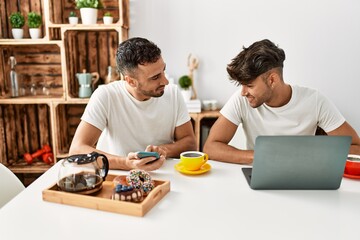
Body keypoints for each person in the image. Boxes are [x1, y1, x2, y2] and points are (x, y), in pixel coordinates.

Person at [203, 39, 360, 164]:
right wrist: (261, 156)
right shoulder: (241, 99)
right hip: (259, 177)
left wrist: (311, 154)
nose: (243, 92)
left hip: (304, 178)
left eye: (249, 85)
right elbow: (211, 147)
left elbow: (356, 148)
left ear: (272, 80)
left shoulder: (315, 101)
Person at [69, 37, 196, 170]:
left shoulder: (173, 93)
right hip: (116, 174)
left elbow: (190, 143)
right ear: (131, 81)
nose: (165, 81)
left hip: (162, 173)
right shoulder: (106, 95)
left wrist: (164, 150)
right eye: (155, 77)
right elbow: (77, 150)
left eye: (163, 70)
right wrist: (126, 163)